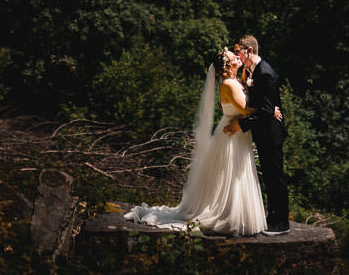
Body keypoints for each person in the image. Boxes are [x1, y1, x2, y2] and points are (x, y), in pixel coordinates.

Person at [123, 48, 266, 236]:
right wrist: (268, 110)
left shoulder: (237, 81)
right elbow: (246, 110)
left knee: (237, 175)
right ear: (226, 66)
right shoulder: (229, 84)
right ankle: (229, 216)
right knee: (230, 176)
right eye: (233, 56)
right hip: (230, 136)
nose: (237, 57)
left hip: (238, 133)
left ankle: (238, 214)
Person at [225, 34, 290, 235]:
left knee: (275, 177)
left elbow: (265, 110)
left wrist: (242, 125)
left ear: (249, 51)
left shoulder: (266, 73)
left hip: (272, 134)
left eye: (238, 51)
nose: (237, 55)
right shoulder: (250, 71)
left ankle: (281, 223)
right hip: (262, 132)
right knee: (269, 177)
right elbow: (264, 107)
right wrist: (269, 109)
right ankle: (272, 217)